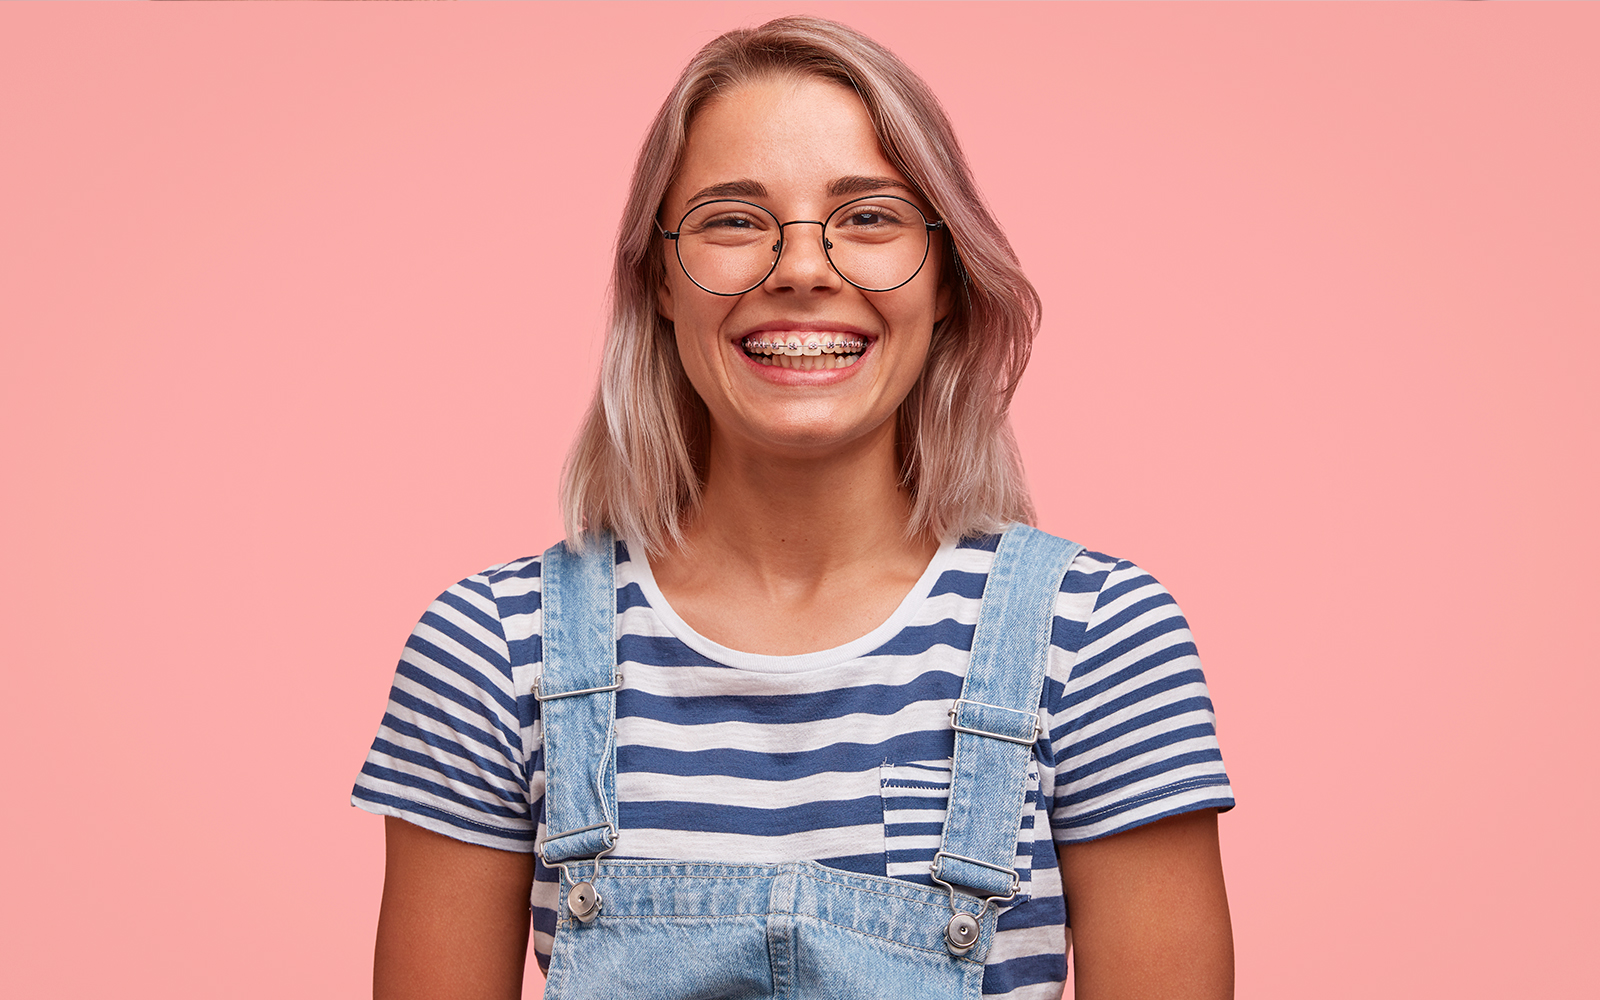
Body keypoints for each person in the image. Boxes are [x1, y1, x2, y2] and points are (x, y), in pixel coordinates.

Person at [353, 16, 1234, 1000]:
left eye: (868, 218)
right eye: (733, 220)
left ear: (946, 276)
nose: (802, 269)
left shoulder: (1100, 642)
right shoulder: (491, 650)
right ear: (657, 277)